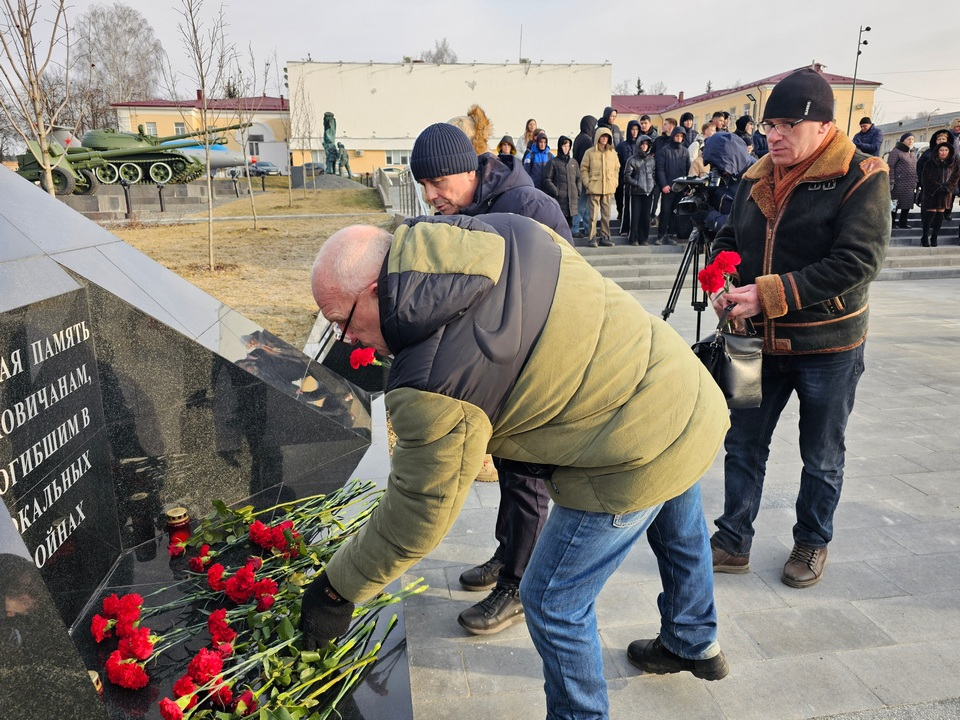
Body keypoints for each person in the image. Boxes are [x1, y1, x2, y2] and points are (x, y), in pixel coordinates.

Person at [302, 213, 731, 720]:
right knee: (678, 522)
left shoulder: (434, 382)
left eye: (342, 322)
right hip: (681, 389)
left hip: (631, 447)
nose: (346, 339)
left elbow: (418, 513)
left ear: (375, 288)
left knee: (551, 600)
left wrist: (336, 589)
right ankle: (692, 639)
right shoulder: (488, 233)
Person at [707, 68, 891, 588]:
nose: (774, 135)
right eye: (770, 124)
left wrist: (767, 294)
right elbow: (728, 238)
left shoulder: (862, 175)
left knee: (822, 454)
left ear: (822, 126)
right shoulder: (755, 175)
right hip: (757, 344)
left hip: (826, 342)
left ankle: (811, 542)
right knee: (743, 444)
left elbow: (856, 262)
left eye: (788, 124)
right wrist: (722, 277)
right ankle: (732, 540)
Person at [405, 121, 570, 636]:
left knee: (525, 476)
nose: (431, 197)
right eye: (423, 187)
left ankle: (520, 586)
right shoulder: (465, 211)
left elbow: (569, 291)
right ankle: (507, 556)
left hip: (535, 367)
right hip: (494, 367)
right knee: (507, 469)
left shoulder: (529, 209)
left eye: (438, 185)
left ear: (468, 169)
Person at [580, 126, 620, 247]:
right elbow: (584, 169)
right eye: (602, 136)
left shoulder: (612, 153)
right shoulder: (590, 152)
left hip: (608, 188)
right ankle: (592, 237)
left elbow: (616, 168)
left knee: (606, 215)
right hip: (594, 188)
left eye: (607, 137)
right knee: (593, 215)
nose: (604, 139)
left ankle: (605, 236)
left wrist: (614, 182)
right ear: (598, 137)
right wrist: (588, 183)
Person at [918, 141, 960, 247]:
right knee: (930, 215)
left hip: (945, 193)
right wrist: (937, 187)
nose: (944, 152)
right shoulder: (930, 163)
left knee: (940, 215)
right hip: (931, 193)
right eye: (941, 150)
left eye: (946, 150)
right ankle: (925, 237)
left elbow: (955, 177)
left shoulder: (953, 163)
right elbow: (925, 178)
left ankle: (934, 237)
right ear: (937, 151)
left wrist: (948, 187)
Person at [654, 124, 690, 245]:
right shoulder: (664, 150)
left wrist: (687, 187)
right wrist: (664, 184)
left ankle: (670, 235)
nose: (679, 138)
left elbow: (688, 170)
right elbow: (660, 169)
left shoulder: (685, 152)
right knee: (665, 211)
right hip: (668, 188)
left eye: (681, 136)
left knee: (675, 212)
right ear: (673, 136)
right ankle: (661, 235)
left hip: (681, 188)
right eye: (677, 136)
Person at [621, 134, 656, 245]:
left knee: (646, 217)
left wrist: (652, 185)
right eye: (643, 144)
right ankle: (634, 238)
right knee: (635, 216)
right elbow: (627, 176)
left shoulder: (651, 160)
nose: (644, 146)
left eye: (646, 144)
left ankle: (643, 238)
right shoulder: (631, 160)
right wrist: (637, 184)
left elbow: (654, 174)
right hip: (636, 192)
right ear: (638, 145)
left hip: (648, 192)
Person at [542, 135, 581, 228]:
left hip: (572, 200)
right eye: (564, 146)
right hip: (559, 200)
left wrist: (578, 191)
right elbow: (546, 179)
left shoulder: (573, 163)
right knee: (559, 226)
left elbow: (579, 178)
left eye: (568, 146)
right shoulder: (553, 162)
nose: (566, 148)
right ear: (560, 146)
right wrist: (556, 191)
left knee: (569, 226)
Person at [572, 115, 598, 238]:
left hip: (579, 175)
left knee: (586, 205)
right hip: (585, 176)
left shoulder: (578, 137)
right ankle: (575, 228)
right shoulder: (587, 140)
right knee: (582, 205)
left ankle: (588, 229)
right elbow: (587, 161)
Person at [615, 120, 641, 234]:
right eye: (632, 129)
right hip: (624, 178)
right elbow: (618, 163)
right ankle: (624, 227)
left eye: (636, 130)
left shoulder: (641, 145)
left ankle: (635, 229)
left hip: (638, 180)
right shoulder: (622, 146)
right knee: (624, 204)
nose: (634, 132)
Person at [887, 132, 917, 229]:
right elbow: (890, 166)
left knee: (907, 204)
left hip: (909, 184)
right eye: (908, 139)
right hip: (898, 183)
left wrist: (916, 179)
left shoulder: (912, 152)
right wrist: (891, 180)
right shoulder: (896, 151)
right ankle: (891, 222)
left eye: (912, 139)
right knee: (894, 204)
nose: (910, 141)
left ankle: (903, 222)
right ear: (903, 140)